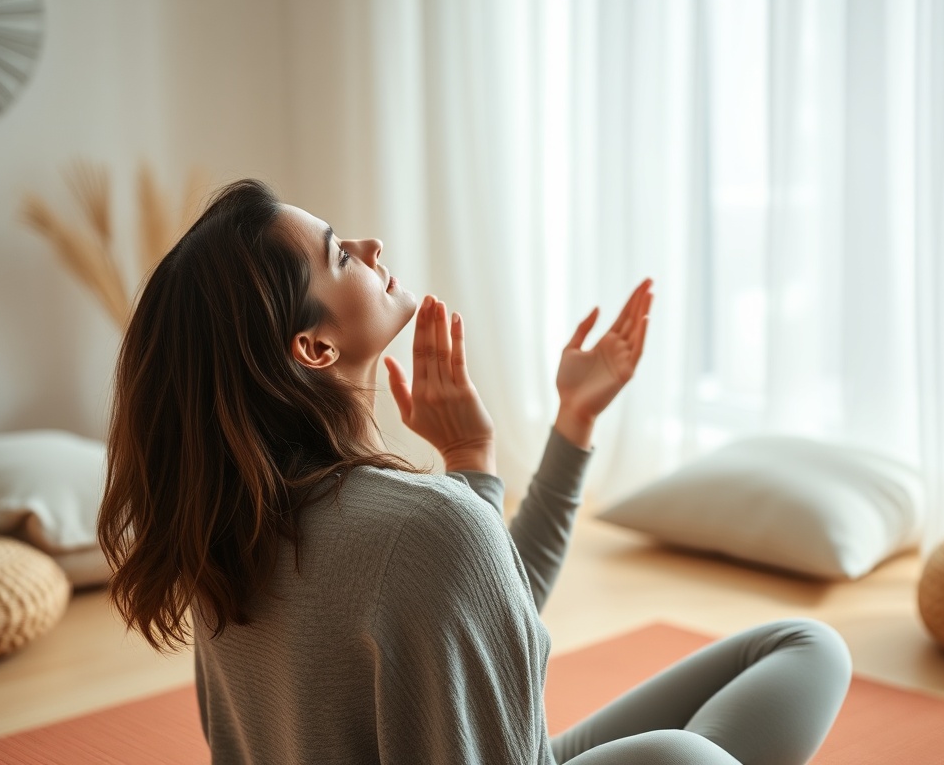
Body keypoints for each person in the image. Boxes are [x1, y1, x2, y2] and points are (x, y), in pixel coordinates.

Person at [98, 179, 851, 765]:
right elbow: (463, 582)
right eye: (338, 254)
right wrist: (467, 475)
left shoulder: (225, 529)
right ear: (315, 348)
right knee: (685, 756)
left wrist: (543, 436)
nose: (370, 242)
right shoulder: (422, 526)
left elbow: (483, 623)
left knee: (802, 647)